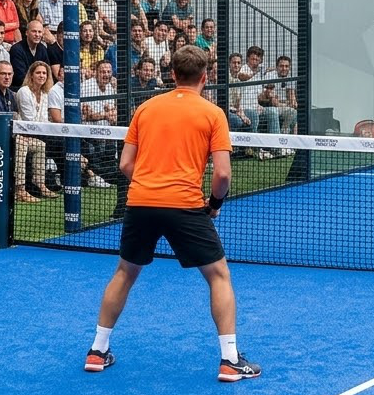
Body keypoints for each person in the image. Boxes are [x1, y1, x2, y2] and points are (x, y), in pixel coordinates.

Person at [84, 45, 260, 382]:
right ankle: (229, 359)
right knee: (219, 276)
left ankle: (97, 350)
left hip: (140, 202)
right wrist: (215, 204)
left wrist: (151, 185)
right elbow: (222, 174)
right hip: (185, 205)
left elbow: (125, 164)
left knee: (124, 272)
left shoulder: (146, 108)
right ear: (205, 77)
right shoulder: (213, 114)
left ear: (173, 75)